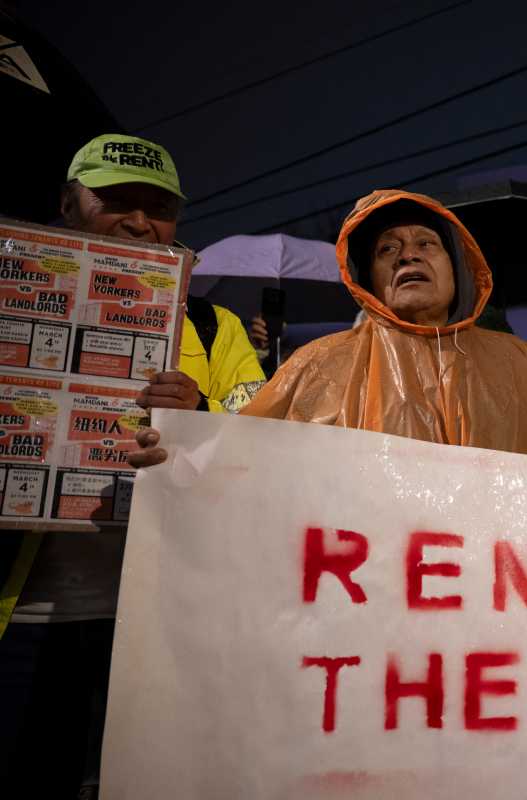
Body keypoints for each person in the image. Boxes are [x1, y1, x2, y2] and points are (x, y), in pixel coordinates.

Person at [0, 133, 265, 797]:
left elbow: (266, 444)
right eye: (117, 201)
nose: (142, 222)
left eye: (160, 207)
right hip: (21, 623)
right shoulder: (12, 296)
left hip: (155, 621)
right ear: (68, 203)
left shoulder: (215, 326)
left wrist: (198, 412)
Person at [132, 189, 527, 465]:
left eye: (426, 244)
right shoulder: (319, 364)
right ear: (369, 281)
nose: (408, 255)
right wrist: (186, 438)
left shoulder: (522, 364)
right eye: (388, 250)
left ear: (458, 269)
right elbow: (250, 456)